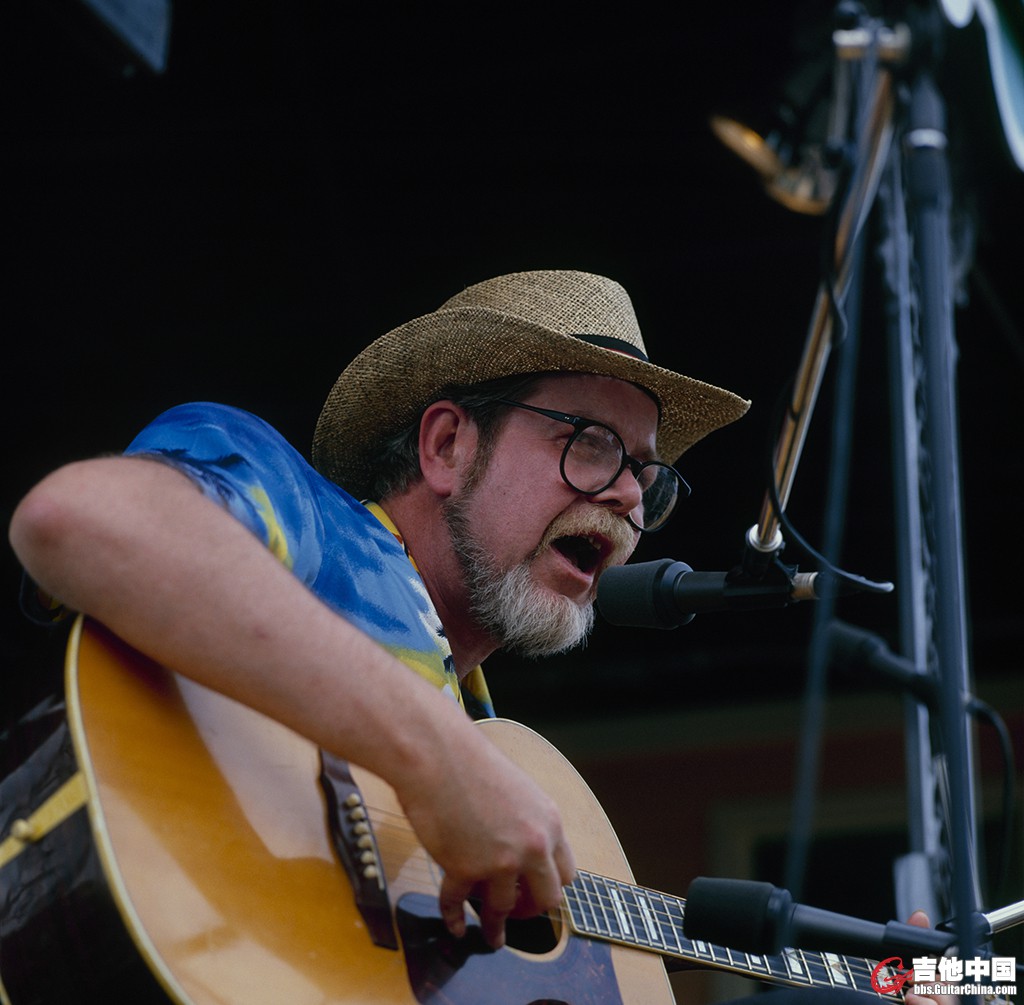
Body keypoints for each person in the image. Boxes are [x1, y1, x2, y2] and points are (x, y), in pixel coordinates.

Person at [8, 269, 946, 1002]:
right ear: (447, 444)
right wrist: (437, 762)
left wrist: (906, 984)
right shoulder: (292, 508)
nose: (626, 494)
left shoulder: (495, 751)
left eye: (646, 477)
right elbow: (78, 518)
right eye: (588, 443)